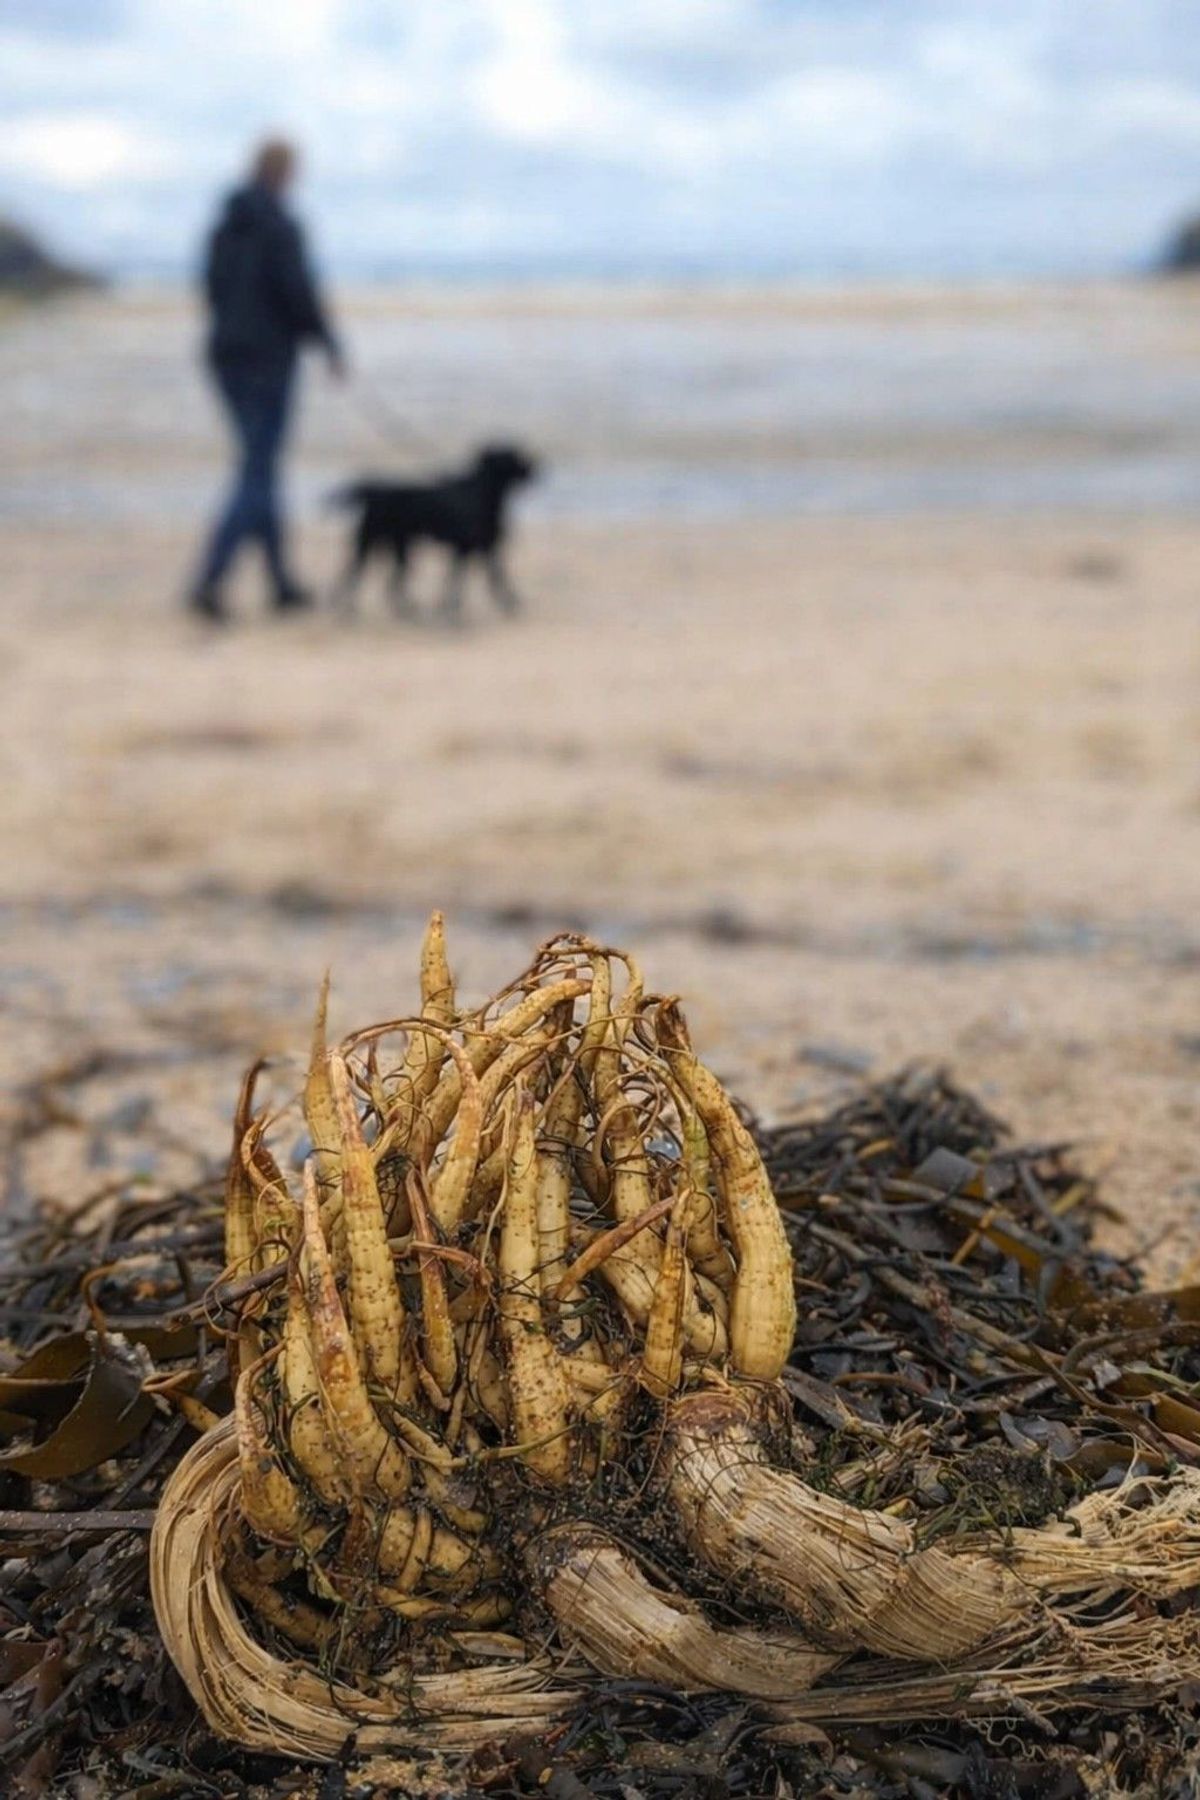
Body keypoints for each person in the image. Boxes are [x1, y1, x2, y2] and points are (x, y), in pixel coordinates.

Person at [189, 138, 344, 621]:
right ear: (283, 173)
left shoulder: (224, 225)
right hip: (268, 359)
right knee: (257, 468)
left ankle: (279, 583)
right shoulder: (281, 226)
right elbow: (298, 292)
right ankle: (211, 579)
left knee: (261, 466)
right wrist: (328, 344)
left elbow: (209, 287)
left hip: (224, 354)